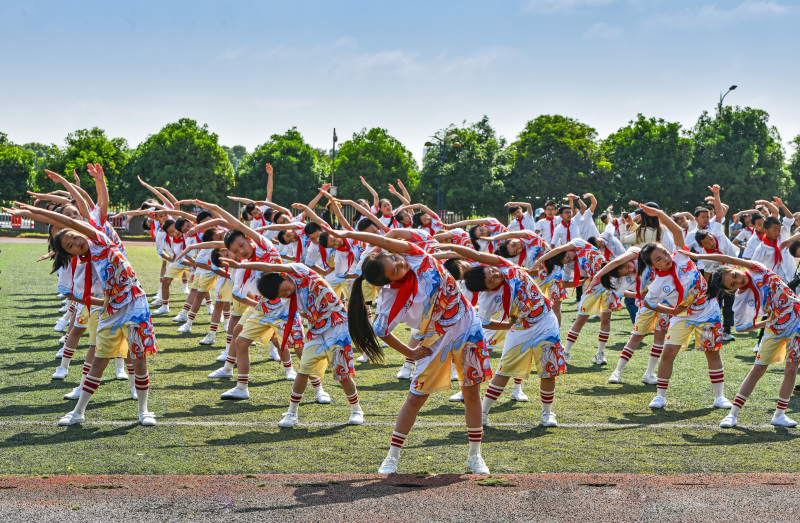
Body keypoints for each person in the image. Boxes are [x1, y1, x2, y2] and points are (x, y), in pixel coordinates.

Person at [343, 229, 492, 475]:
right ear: (390, 281)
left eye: (394, 259)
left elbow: (384, 240)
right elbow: (381, 330)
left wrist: (347, 231)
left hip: (467, 326)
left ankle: (475, 456)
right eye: (395, 270)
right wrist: (410, 352)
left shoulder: (414, 255)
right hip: (435, 340)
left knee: (471, 391)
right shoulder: (390, 298)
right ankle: (392, 456)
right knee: (416, 397)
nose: (400, 264)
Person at [224, 259, 369, 427]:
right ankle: (292, 413)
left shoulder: (300, 271)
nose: (287, 293)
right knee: (303, 368)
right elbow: (306, 314)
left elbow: (269, 267)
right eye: (283, 294)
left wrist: (240, 265)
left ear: (285, 275)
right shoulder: (288, 299)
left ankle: (356, 410)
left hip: (337, 325)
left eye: (285, 289)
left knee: (341, 370)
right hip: (316, 329)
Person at [442, 244, 565, 428]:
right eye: (491, 280)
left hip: (546, 321)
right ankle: (482, 413)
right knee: (504, 371)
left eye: (492, 271)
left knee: (548, 369)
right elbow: (483, 321)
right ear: (485, 289)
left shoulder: (504, 265)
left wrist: (451, 246)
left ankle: (547, 414)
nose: (496, 275)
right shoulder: (487, 299)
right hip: (521, 329)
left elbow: (476, 254)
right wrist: (508, 325)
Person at [634, 204, 732, 410]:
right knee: (668, 352)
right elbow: (649, 303)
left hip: (708, 311)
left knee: (712, 352)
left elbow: (677, 231)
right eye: (659, 259)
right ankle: (660, 396)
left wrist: (660, 213)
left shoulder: (680, 256)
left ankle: (719, 397)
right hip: (683, 316)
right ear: (653, 266)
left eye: (665, 254)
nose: (666, 259)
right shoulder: (657, 284)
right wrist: (671, 311)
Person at [690, 254, 800, 428]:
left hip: (798, 321)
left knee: (791, 368)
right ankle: (733, 414)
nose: (738, 280)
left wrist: (699, 256)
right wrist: (769, 321)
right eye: (732, 284)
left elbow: (729, 257)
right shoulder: (741, 297)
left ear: (735, 268)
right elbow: (741, 327)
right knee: (757, 369)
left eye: (735, 275)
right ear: (730, 290)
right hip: (775, 329)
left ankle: (780, 414)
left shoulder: (756, 268)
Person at [534, 239, 617, 365]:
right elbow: (564, 283)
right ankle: (565, 352)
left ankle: (600, 353)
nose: (570, 259)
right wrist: (580, 282)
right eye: (567, 260)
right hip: (592, 286)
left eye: (568, 256)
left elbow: (557, 249)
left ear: (566, 250)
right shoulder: (568, 265)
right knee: (581, 319)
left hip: (606, 282)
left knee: (605, 318)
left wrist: (540, 261)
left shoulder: (579, 243)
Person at [590, 248, 666, 385]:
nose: (630, 269)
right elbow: (621, 292)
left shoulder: (635, 254)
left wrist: (596, 276)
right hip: (647, 303)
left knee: (660, 335)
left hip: (665, 299)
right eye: (626, 272)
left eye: (627, 266)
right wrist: (638, 295)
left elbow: (618, 261)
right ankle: (617, 371)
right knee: (637, 336)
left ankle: (649, 373)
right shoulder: (621, 279)